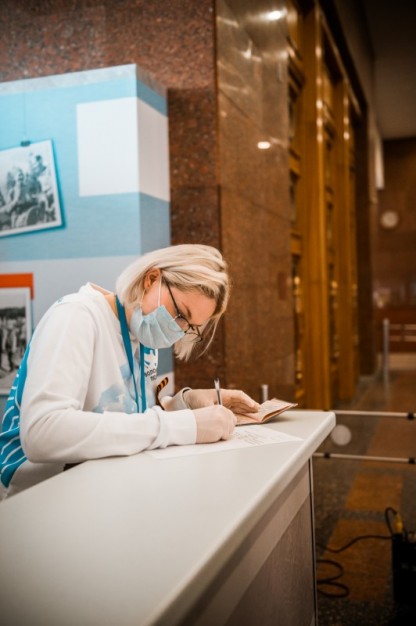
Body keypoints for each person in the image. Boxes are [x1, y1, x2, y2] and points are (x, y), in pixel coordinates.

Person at [0, 244, 259, 500]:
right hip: (33, 497)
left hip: (94, 490)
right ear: (151, 279)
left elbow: (126, 419)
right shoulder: (76, 316)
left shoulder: (142, 335)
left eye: (190, 327)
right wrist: (186, 425)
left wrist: (186, 403)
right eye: (181, 313)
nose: (178, 330)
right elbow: (43, 433)